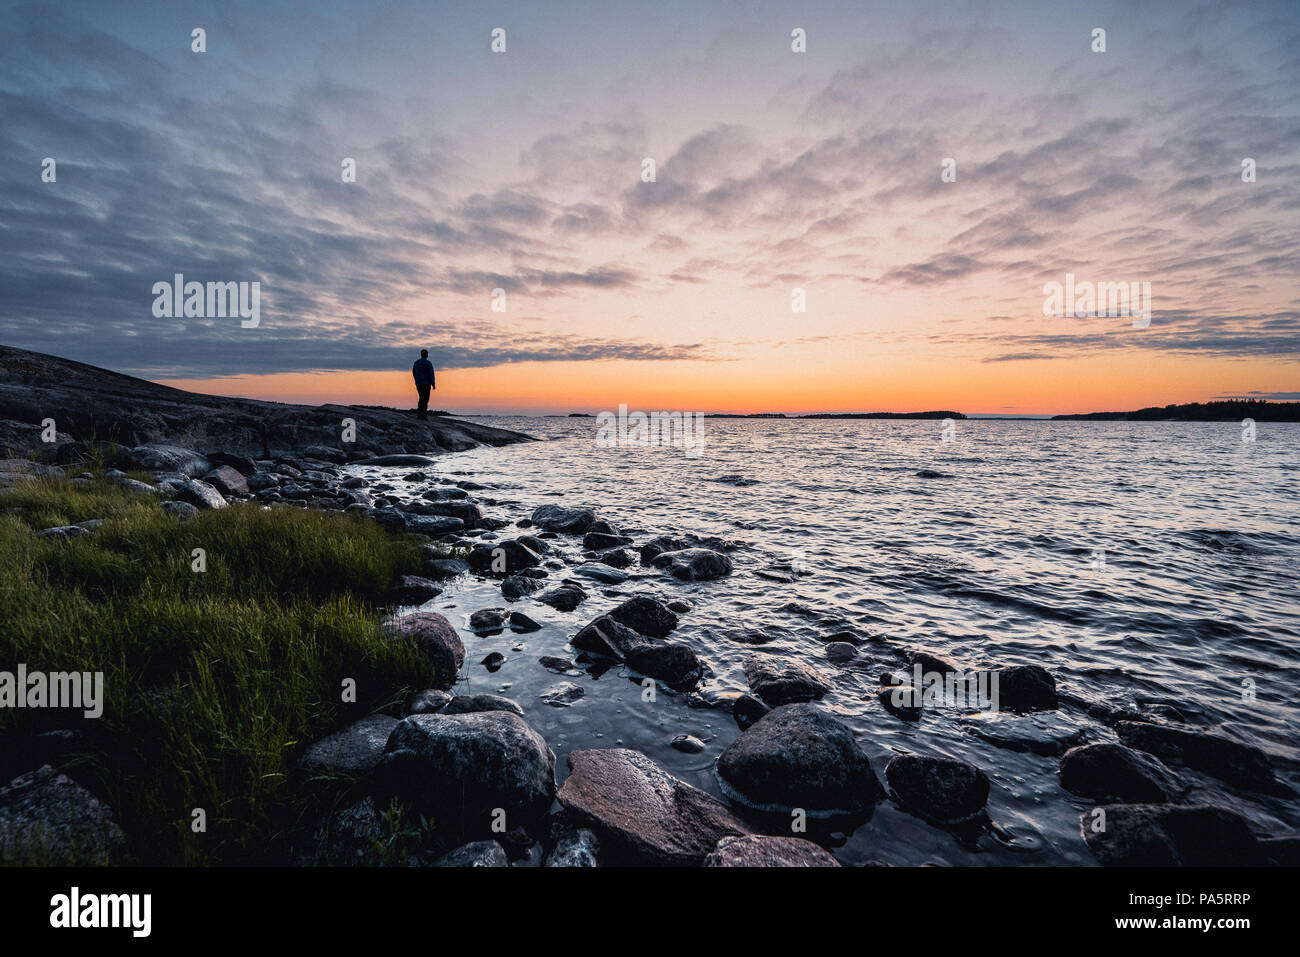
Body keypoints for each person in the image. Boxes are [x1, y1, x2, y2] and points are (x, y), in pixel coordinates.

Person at [412, 349, 435, 419]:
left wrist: (416, 380)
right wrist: (433, 384)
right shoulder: (428, 363)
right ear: (426, 355)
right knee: (425, 399)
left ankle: (420, 414)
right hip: (426, 383)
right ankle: (423, 415)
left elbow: (414, 372)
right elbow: (431, 374)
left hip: (419, 383)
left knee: (421, 398)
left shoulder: (416, 362)